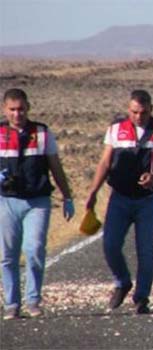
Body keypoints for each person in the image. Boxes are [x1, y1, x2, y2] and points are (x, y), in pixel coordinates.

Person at [85, 90, 153, 314]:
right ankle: (122, 282)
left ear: (151, 110)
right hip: (119, 198)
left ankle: (142, 297)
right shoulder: (116, 129)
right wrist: (93, 191)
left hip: (148, 200)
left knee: (145, 250)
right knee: (110, 244)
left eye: (143, 113)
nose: (139, 117)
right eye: (134, 112)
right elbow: (105, 163)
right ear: (129, 110)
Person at [0, 88, 74, 320]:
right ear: (5, 109)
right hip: (7, 201)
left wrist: (67, 196)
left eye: (21, 108)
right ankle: (11, 304)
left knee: (34, 249)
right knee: (7, 255)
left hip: (37, 201)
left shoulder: (42, 133)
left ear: (28, 108)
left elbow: (55, 166)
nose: (17, 114)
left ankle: (33, 300)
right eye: (12, 109)